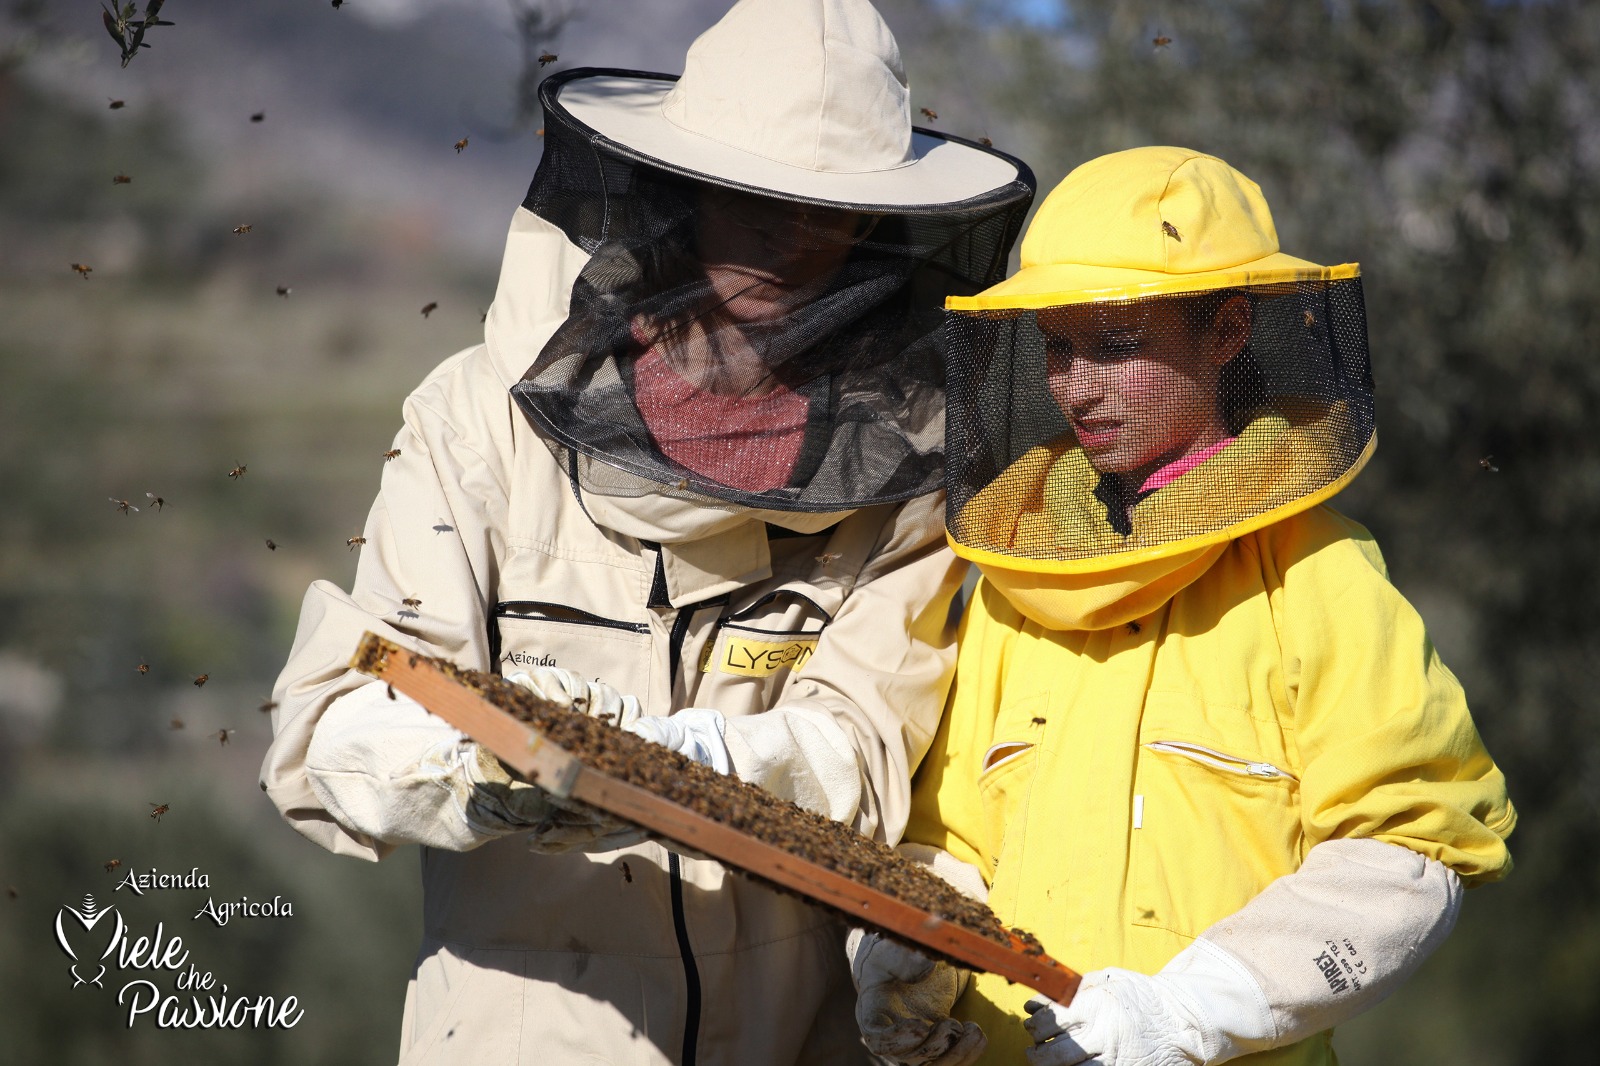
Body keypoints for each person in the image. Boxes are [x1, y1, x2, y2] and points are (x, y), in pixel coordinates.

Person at [258, 1, 1035, 1064]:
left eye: (829, 207)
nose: (793, 234)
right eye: (758, 196)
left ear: (877, 225)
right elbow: (332, 729)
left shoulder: (916, 464)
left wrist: (670, 764)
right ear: (685, 187)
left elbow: (856, 749)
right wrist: (478, 771)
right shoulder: (477, 420)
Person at [847, 146, 1515, 1066]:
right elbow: (951, 836)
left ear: (1228, 330)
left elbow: (1410, 851)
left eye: (1116, 345)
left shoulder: (1316, 573)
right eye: (1057, 346)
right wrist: (915, 944)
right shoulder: (1010, 586)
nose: (1076, 387)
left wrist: (1190, 1014)